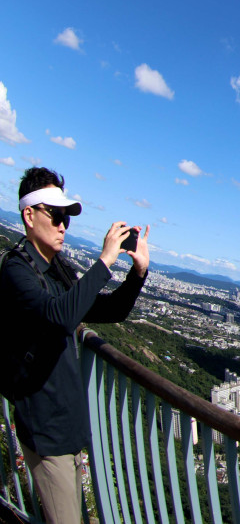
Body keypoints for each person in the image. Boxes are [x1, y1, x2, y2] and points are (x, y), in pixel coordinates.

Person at [0, 167, 150, 524]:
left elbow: (108, 310)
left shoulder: (56, 269)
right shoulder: (15, 271)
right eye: (55, 215)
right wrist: (104, 261)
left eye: (65, 217)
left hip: (66, 426)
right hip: (45, 430)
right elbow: (58, 317)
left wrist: (137, 273)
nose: (63, 225)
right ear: (29, 214)